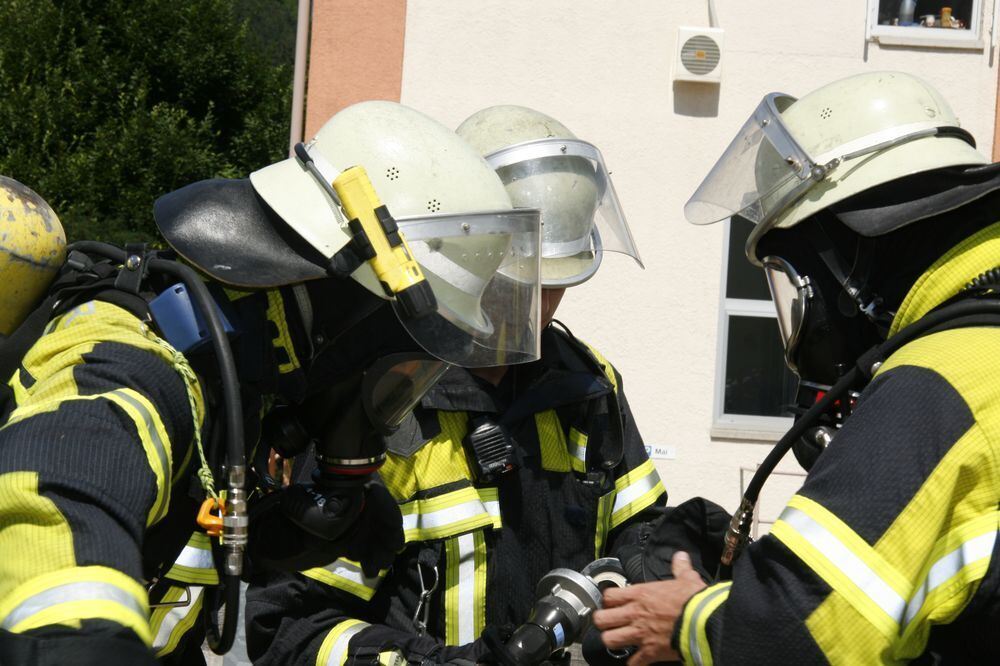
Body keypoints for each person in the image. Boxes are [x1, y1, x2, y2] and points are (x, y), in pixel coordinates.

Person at [0, 100, 546, 666]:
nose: (393, 402)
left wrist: (266, 542)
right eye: (401, 362)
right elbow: (53, 495)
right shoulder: (135, 363)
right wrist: (75, 640)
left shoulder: (235, 387)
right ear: (350, 311)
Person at [593, 71, 1000, 664]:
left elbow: (797, 629)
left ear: (855, 252)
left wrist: (691, 621)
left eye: (793, 277)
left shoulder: (938, 385)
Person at [245, 105, 664, 665]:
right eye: (523, 281)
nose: (538, 309)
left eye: (556, 285)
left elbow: (639, 529)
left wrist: (662, 564)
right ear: (472, 254)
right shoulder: (382, 401)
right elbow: (291, 629)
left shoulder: (588, 387)